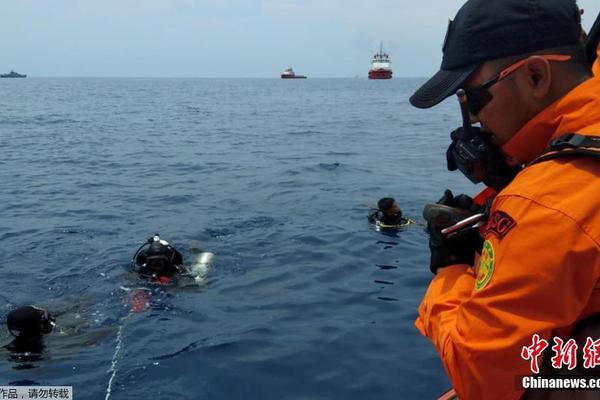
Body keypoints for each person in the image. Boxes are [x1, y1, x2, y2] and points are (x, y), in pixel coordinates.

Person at [409, 0, 600, 399]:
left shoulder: (546, 204)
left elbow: (480, 376)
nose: (473, 120)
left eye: (473, 98)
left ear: (534, 75)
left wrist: (451, 268)